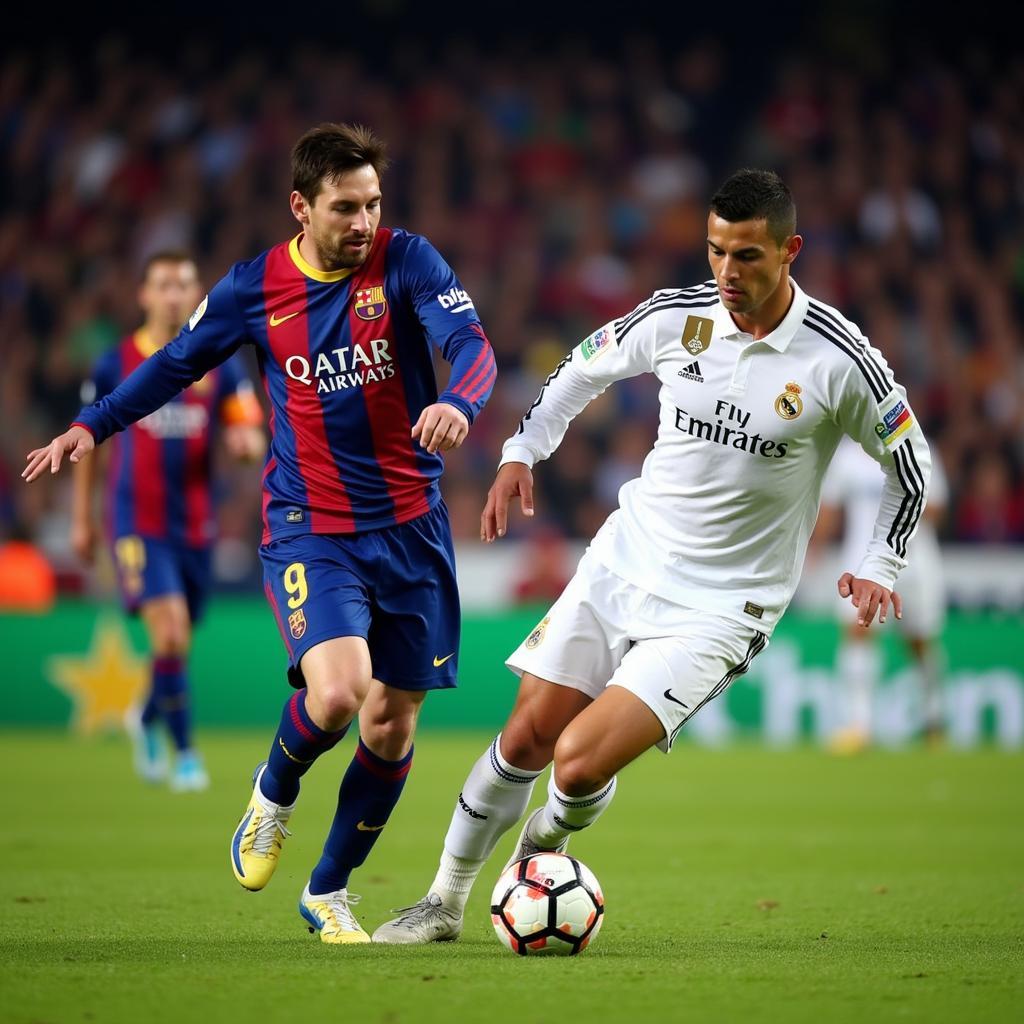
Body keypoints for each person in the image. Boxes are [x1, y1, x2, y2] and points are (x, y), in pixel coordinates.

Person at [372, 168, 931, 945]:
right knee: (525, 736)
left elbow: (912, 466)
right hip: (623, 561)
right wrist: (521, 452)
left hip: (722, 607)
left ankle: (540, 853)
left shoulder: (841, 361)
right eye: (716, 253)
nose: (727, 274)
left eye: (748, 257)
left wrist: (881, 563)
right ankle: (442, 902)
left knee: (574, 764)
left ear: (790, 250)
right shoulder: (678, 318)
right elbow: (578, 370)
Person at [23, 123, 497, 944]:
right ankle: (273, 794)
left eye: (373, 205)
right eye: (345, 208)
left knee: (392, 723)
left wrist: (458, 399)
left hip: (413, 528)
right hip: (311, 526)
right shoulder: (254, 288)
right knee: (341, 693)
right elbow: (175, 362)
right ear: (300, 207)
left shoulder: (408, 259)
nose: (363, 223)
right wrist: (92, 425)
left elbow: (472, 346)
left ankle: (327, 889)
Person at [70, 251, 265, 791]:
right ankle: (184, 754)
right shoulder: (115, 363)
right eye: (164, 285)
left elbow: (248, 432)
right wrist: (82, 522)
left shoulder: (220, 366)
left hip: (195, 527)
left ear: (196, 293)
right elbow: (91, 447)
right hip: (137, 523)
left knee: (175, 642)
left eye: (184, 285)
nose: (175, 295)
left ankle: (147, 715)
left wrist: (246, 444)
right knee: (172, 633)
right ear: (145, 295)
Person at [814, 435, 949, 751]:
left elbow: (938, 509)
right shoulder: (846, 456)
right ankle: (858, 726)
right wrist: (815, 548)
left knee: (919, 642)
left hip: (913, 563)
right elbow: (831, 507)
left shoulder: (917, 447)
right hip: (863, 561)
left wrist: (904, 496)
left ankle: (934, 719)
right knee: (857, 632)